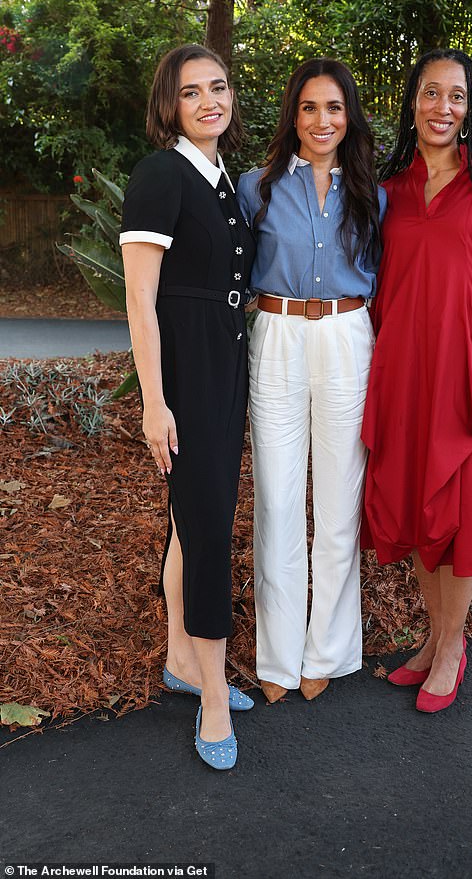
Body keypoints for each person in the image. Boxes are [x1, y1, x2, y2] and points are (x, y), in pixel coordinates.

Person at [362, 48, 472, 712]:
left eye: (457, 97)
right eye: (431, 94)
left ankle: (451, 649)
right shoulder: (389, 190)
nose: (443, 108)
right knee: (419, 514)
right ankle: (436, 642)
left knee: (460, 520)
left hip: (470, 379)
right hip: (407, 375)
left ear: (471, 109)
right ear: (413, 102)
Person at [120, 44, 256, 769]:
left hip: (224, 362)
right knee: (207, 531)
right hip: (188, 373)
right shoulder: (159, 174)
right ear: (169, 105)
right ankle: (210, 698)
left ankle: (182, 658)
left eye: (219, 87)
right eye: (191, 91)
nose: (210, 100)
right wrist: (154, 403)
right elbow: (141, 301)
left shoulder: (220, 178)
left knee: (189, 522)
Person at [237, 58, 386, 703]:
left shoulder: (371, 195)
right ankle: (276, 657)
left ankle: (325, 650)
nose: (321, 120)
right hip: (277, 335)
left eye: (333, 108)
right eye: (308, 108)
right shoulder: (257, 189)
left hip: (348, 338)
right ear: (292, 116)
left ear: (348, 116)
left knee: (337, 500)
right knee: (275, 493)